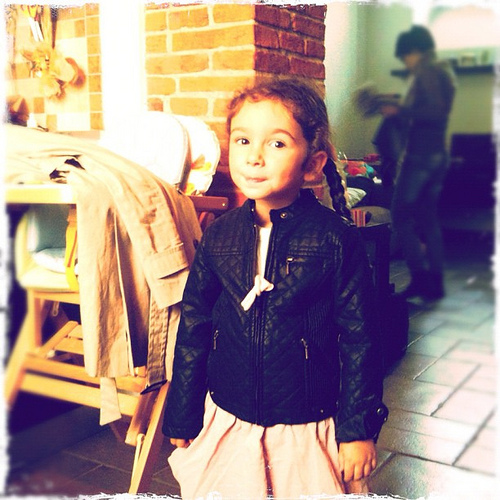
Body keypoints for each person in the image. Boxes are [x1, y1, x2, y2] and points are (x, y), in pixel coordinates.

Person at [163, 78, 388, 499]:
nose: (254, 156)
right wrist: (183, 412)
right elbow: (193, 328)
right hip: (229, 417)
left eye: (277, 143)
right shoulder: (219, 236)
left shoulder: (335, 239)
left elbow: (362, 340)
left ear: (312, 164)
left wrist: (357, 429)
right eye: (243, 140)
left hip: (307, 424)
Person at [380, 25, 456, 300]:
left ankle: (421, 278)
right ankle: (435, 283)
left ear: (414, 51)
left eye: (405, 57)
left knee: (400, 215)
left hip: (421, 156)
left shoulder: (427, 72)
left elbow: (433, 112)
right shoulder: (442, 73)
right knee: (427, 217)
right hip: (437, 154)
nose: (405, 63)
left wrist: (398, 110)